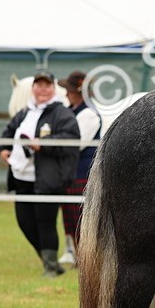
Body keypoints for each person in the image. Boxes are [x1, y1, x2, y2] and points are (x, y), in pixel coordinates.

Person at [0, 70, 81, 277]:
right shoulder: (24, 112)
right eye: (38, 85)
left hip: (47, 179)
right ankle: (49, 261)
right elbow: (8, 133)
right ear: (33, 88)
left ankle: (51, 267)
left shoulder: (62, 114)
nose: (42, 89)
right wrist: (3, 149)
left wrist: (43, 145)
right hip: (21, 177)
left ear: (53, 88)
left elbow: (70, 140)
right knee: (25, 222)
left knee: (45, 223)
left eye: (46, 85)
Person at [56, 71, 101, 268]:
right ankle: (77, 257)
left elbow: (75, 143)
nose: (66, 94)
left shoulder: (89, 114)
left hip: (82, 174)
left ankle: (86, 259)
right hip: (69, 174)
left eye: (68, 90)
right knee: (70, 218)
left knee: (80, 219)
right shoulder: (71, 112)